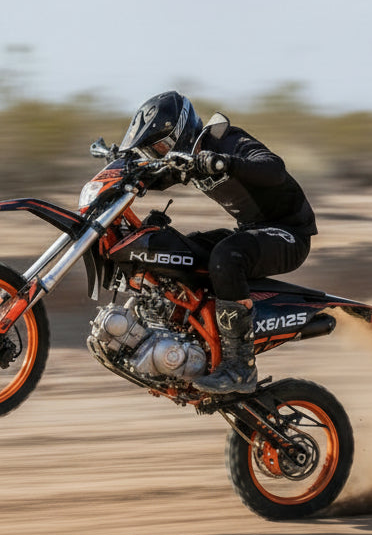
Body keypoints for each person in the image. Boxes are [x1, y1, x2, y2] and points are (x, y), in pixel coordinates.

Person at [118, 91, 317, 394]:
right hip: (251, 231)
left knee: (226, 257)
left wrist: (224, 162)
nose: (159, 154)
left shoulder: (224, 140)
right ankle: (192, 344)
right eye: (152, 150)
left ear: (180, 132)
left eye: (160, 147)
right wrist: (124, 166)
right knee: (180, 251)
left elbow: (274, 168)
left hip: (289, 234)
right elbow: (156, 177)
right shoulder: (188, 160)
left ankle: (240, 368)